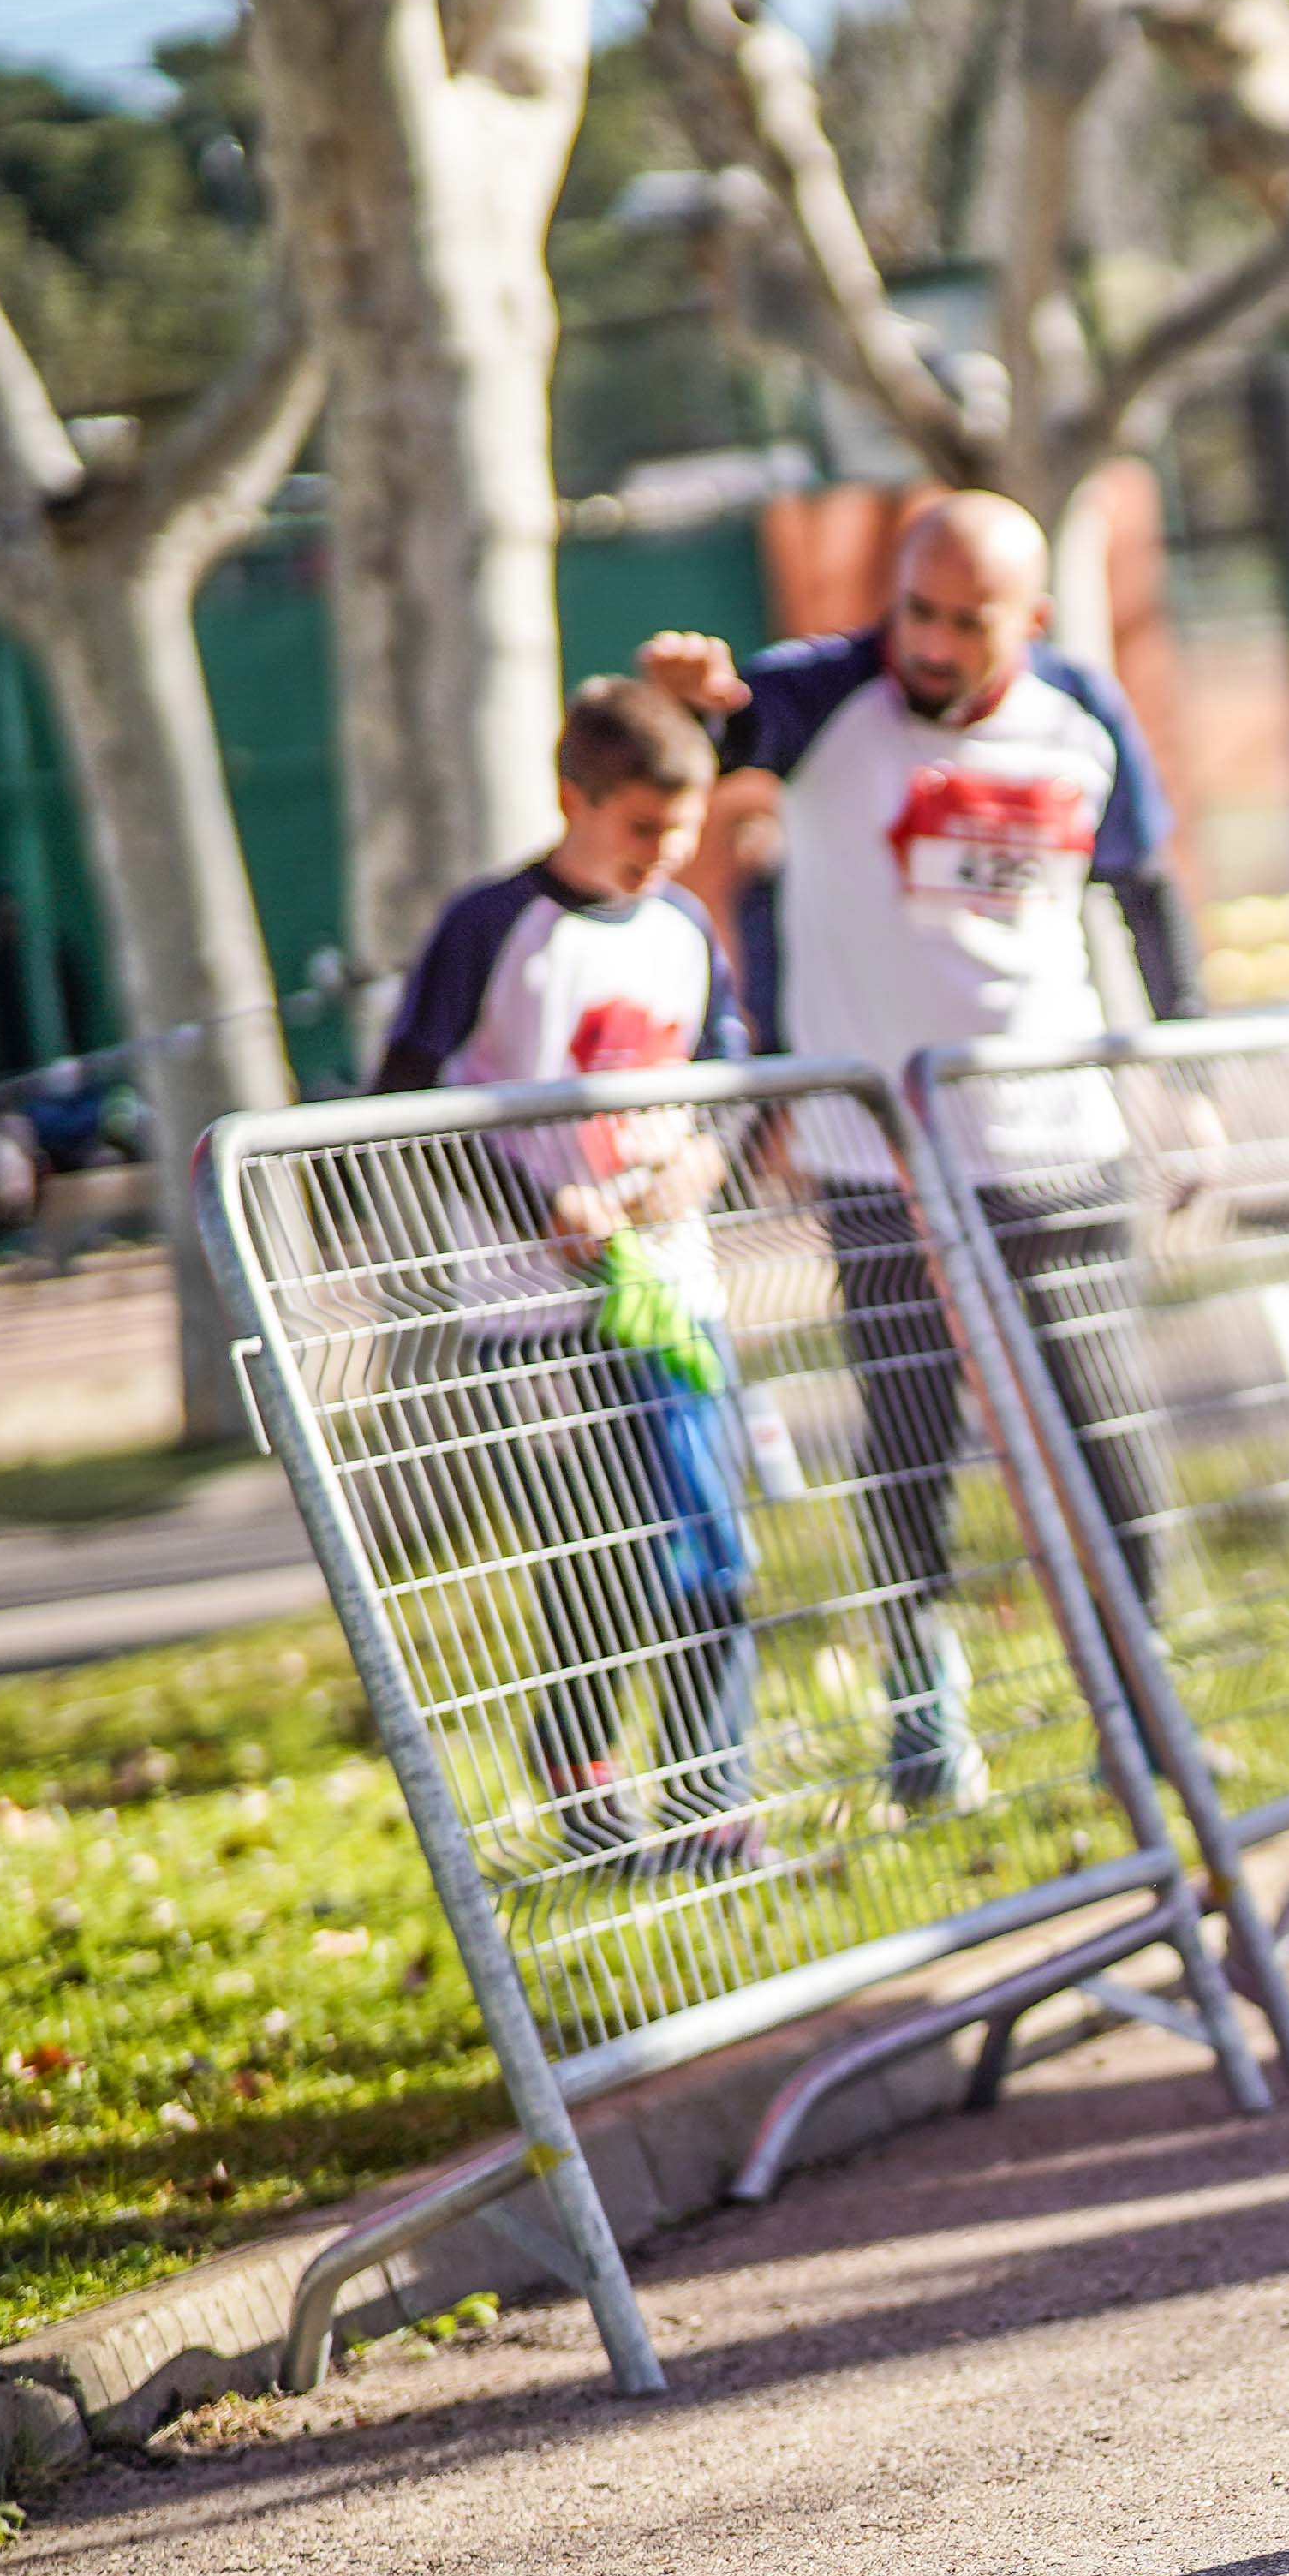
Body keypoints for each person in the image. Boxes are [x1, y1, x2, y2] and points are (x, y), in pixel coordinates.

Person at [636, 493, 1196, 1811]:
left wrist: (1184, 1065)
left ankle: (1149, 1716)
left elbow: (1146, 888)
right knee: (909, 1438)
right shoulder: (834, 693)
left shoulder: (1082, 719)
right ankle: (925, 1725)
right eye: (916, 611)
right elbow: (728, 726)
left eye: (966, 621)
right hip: (876, 1152)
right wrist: (696, 698)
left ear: (1033, 623)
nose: (932, 644)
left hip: (1053, 1137)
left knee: (1105, 1429)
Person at [374, 678, 761, 1870]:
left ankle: (715, 1794)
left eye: (682, 831)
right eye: (641, 829)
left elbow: (732, 1067)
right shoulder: (492, 927)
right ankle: (585, 1778)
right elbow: (407, 1098)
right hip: (537, 1314)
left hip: (673, 1296)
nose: (663, 854)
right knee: (609, 1553)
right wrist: (540, 1207)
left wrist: (701, 1161)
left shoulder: (684, 926)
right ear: (572, 800)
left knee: (714, 1546)